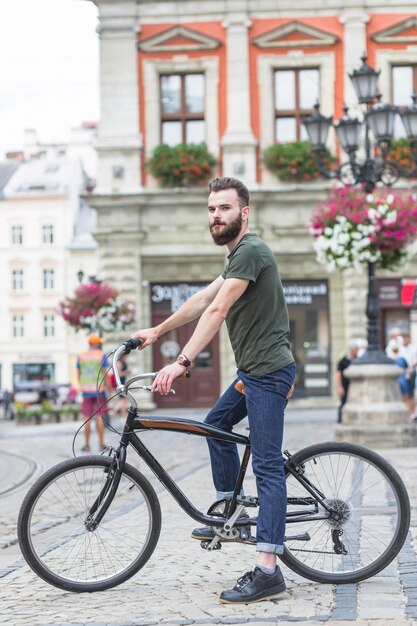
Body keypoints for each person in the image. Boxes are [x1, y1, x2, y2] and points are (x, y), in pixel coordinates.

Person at [131, 176, 296, 604]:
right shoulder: (236, 256)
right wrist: (158, 330)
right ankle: (233, 513)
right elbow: (203, 299)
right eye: (210, 209)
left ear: (244, 213)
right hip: (253, 372)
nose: (215, 216)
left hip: (268, 374)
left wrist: (182, 362)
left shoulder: (252, 249)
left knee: (267, 466)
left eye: (223, 208)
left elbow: (219, 310)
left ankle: (267, 571)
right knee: (215, 425)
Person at [77, 333, 111, 452]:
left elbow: (78, 373)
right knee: (99, 417)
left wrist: (81, 385)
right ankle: (101, 444)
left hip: (86, 390)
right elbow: (105, 374)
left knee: (87, 418)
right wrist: (110, 388)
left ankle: (86, 445)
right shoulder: (101, 355)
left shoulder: (81, 355)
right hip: (99, 390)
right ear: (97, 343)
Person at [335, 339, 360, 423]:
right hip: (345, 386)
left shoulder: (358, 360)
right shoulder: (343, 361)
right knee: (343, 402)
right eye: (356, 349)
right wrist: (339, 387)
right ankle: (341, 419)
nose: (357, 351)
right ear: (352, 349)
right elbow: (338, 374)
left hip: (356, 387)